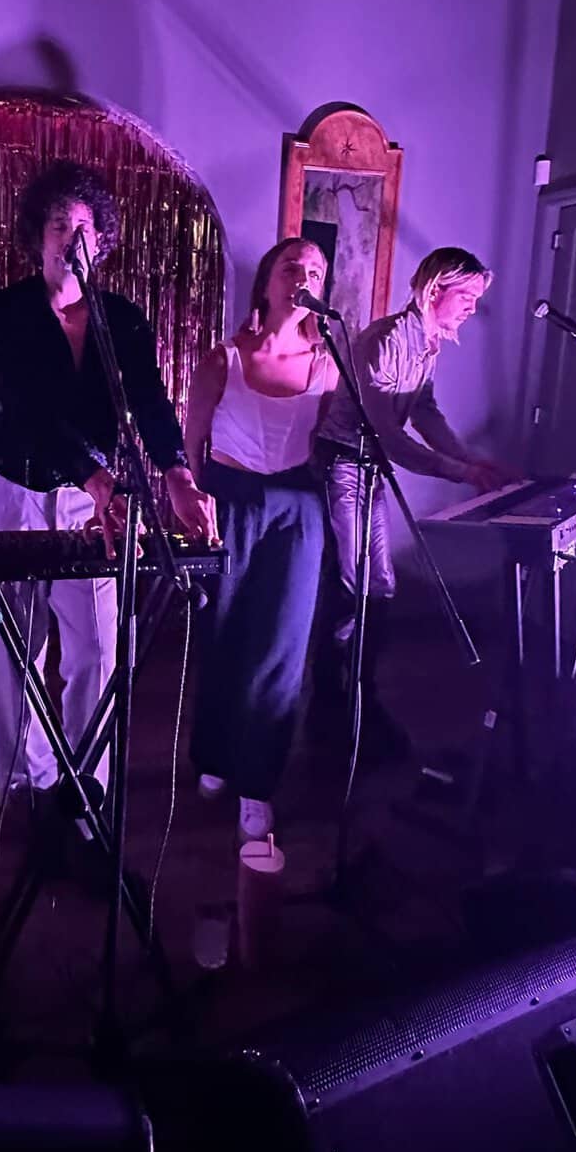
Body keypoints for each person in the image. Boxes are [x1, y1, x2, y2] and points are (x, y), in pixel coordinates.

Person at [0, 159, 215, 805]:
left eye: (83, 226)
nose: (71, 237)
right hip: (16, 491)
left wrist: (177, 473)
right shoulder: (4, 312)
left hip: (94, 500)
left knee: (98, 648)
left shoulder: (122, 320)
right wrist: (97, 476)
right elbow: (25, 407)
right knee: (18, 649)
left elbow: (152, 402)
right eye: (59, 225)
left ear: (101, 241)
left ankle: (88, 785)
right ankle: (29, 783)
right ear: (38, 237)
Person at [313, 246, 510, 758]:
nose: (471, 308)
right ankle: (331, 707)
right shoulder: (382, 342)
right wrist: (463, 472)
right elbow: (394, 440)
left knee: (381, 586)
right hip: (342, 466)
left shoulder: (428, 345)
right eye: (465, 296)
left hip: (370, 470)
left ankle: (364, 700)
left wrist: (473, 461)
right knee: (353, 587)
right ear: (435, 290)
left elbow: (425, 411)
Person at [184, 237, 338, 840]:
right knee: (227, 630)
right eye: (291, 266)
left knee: (281, 643)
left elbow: (325, 439)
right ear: (268, 282)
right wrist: (198, 505)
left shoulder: (328, 363)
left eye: (316, 270)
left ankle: (258, 781)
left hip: (297, 507)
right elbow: (191, 446)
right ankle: (215, 757)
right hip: (232, 498)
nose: (304, 276)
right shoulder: (224, 357)